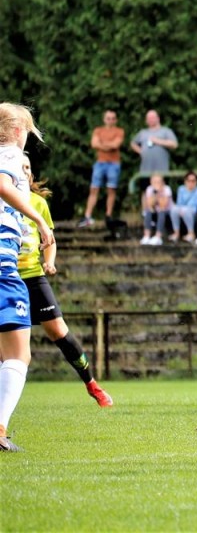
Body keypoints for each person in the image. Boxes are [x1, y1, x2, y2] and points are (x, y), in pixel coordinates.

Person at [18, 156, 113, 407]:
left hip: (33, 276)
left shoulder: (38, 203)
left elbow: (49, 240)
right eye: (20, 167)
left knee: (60, 332)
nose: (25, 171)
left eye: (28, 167)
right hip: (7, 278)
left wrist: (49, 261)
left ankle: (91, 384)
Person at [0, 103, 54, 452]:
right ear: (19, 131)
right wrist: (36, 219)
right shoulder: (11, 155)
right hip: (2, 266)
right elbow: (2, 184)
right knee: (19, 353)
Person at [79, 109, 124, 227]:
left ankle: (108, 215)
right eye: (108, 118)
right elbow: (94, 144)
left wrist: (102, 144)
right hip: (100, 163)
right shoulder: (98, 130)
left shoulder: (119, 131)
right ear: (104, 119)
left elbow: (116, 145)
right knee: (94, 188)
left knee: (111, 189)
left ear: (116, 120)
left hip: (114, 164)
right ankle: (87, 216)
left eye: (113, 118)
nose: (110, 121)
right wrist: (109, 145)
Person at [129, 109, 178, 179]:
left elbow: (174, 144)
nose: (150, 120)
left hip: (161, 171)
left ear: (158, 118)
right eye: (148, 118)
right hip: (145, 171)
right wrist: (141, 151)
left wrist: (157, 141)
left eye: (152, 117)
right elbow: (133, 143)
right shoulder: (143, 132)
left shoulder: (166, 131)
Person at [169, 171, 197, 243]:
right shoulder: (181, 189)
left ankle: (191, 233)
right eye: (188, 180)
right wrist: (181, 210)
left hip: (194, 212)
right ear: (185, 181)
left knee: (186, 210)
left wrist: (185, 209)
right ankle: (176, 233)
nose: (191, 183)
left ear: (196, 182)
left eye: (193, 181)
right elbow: (179, 203)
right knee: (174, 209)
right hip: (183, 210)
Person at [140, 173, 171, 245]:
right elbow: (149, 204)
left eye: (159, 182)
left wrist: (159, 192)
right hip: (155, 210)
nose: (157, 184)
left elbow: (163, 205)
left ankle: (158, 236)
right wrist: (155, 193)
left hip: (166, 211)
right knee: (148, 211)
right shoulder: (149, 189)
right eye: (155, 182)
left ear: (163, 182)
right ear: (151, 182)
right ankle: (146, 235)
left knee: (161, 212)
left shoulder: (167, 189)